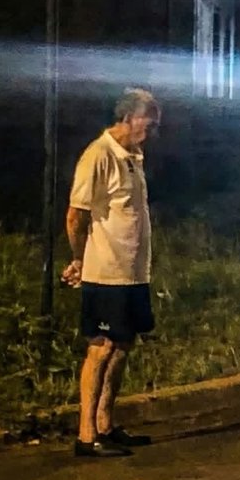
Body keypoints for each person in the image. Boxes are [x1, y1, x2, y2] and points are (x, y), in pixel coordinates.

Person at [62, 88, 160, 457]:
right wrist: (79, 259)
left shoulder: (133, 156)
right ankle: (86, 436)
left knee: (123, 347)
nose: (150, 132)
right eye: (147, 124)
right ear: (127, 118)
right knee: (100, 349)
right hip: (105, 274)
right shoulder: (98, 155)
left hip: (133, 273)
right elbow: (76, 215)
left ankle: (106, 423)